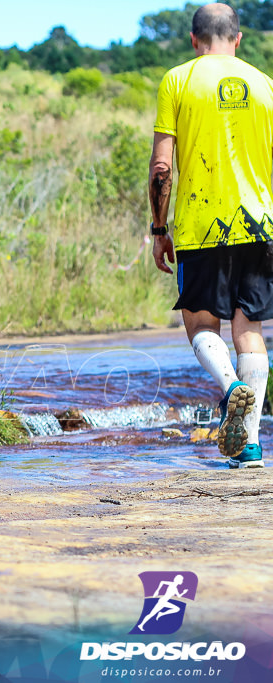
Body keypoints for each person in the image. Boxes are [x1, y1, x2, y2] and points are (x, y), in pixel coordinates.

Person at [149, 3, 272, 469]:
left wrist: (160, 228)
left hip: (203, 226)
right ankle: (252, 446)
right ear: (238, 39)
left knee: (202, 326)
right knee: (251, 331)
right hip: (261, 226)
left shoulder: (178, 79)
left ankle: (230, 389)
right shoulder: (265, 84)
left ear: (193, 38)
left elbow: (163, 168)